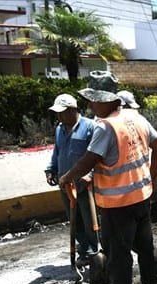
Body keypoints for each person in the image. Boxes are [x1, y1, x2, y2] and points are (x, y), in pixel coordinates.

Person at [58, 71, 157, 284]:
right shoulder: (134, 117)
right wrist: (151, 178)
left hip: (117, 205)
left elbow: (89, 160)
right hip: (141, 197)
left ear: (105, 100)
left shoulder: (106, 126)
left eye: (93, 99)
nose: (90, 105)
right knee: (146, 249)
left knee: (119, 256)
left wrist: (67, 177)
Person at [45, 93, 98, 267]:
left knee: (90, 220)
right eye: (57, 113)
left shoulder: (90, 127)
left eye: (62, 112)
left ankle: (96, 252)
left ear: (73, 110)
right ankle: (83, 250)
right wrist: (51, 170)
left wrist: (90, 175)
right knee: (75, 220)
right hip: (66, 184)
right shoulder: (60, 129)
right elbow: (57, 151)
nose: (59, 116)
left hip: (84, 185)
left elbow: (96, 156)